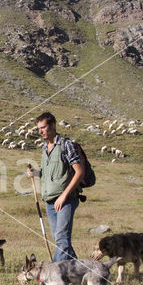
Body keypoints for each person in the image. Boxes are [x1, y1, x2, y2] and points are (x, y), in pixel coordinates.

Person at [27, 112, 84, 262]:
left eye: (43, 127)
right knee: (61, 241)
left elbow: (79, 172)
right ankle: (81, 270)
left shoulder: (66, 145)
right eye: (38, 128)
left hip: (65, 200)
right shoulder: (45, 148)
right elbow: (48, 173)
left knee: (61, 239)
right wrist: (36, 172)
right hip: (50, 202)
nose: (40, 131)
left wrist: (64, 195)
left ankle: (52, 272)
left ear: (52, 125)